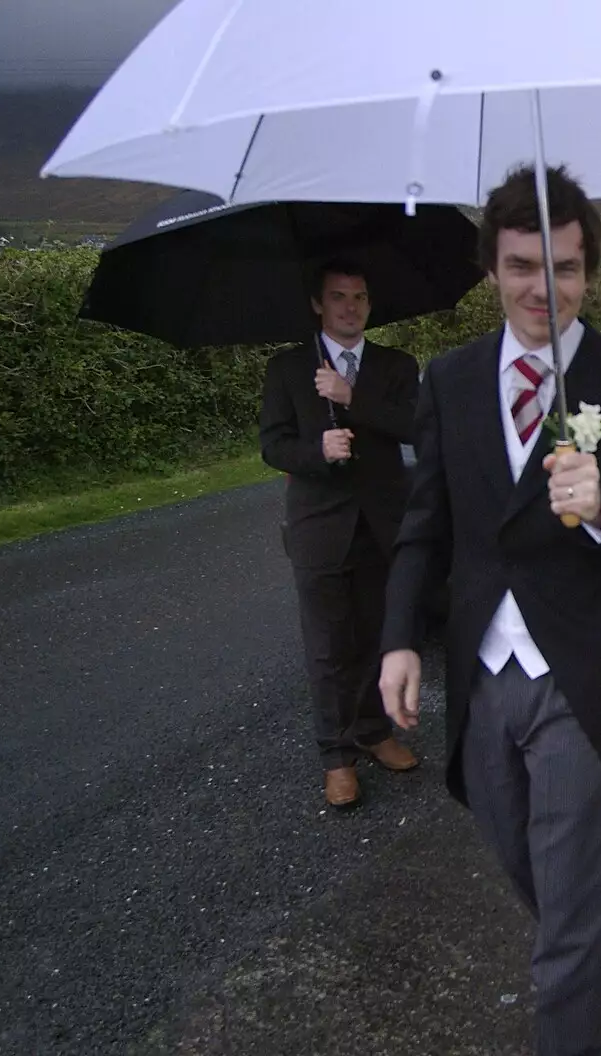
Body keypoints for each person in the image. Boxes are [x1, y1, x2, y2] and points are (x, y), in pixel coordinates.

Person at [377, 166, 601, 1056]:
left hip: (580, 667)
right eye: (522, 266)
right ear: (491, 269)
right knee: (519, 848)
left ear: (589, 269)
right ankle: (600, 927)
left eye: (564, 267)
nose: (543, 289)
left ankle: (575, 990)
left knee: (563, 909)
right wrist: (400, 638)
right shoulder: (450, 380)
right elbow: (424, 524)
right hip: (482, 664)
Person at [259, 262, 420, 810]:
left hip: (381, 526)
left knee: (378, 636)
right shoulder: (286, 369)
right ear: (317, 304)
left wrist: (352, 397)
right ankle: (337, 757)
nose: (350, 307)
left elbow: (416, 425)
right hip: (319, 531)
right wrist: (318, 452)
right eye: (338, 297)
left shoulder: (396, 366)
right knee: (329, 648)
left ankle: (375, 732)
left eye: (359, 297)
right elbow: (273, 445)